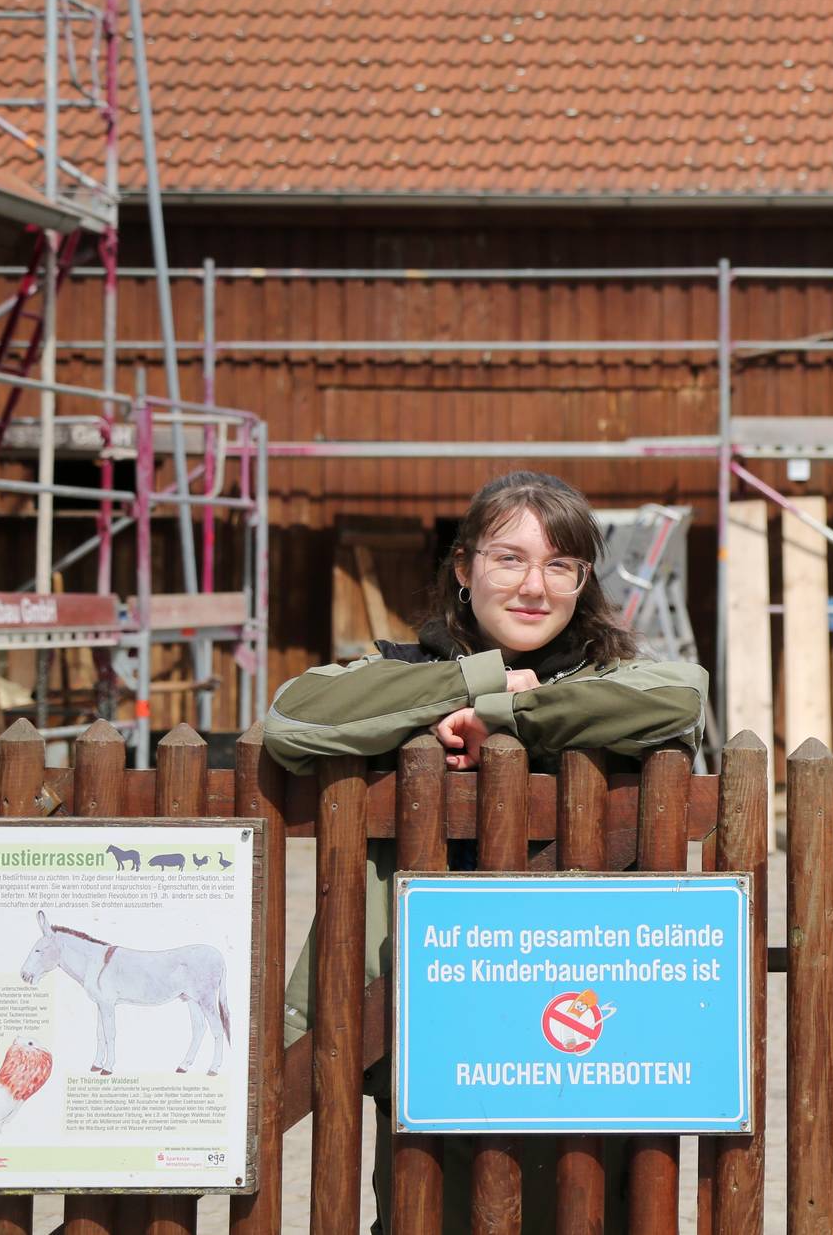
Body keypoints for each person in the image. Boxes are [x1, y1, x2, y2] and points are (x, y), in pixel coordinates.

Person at [265, 470, 709, 1233]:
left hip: (586, 1021)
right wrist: (473, 679)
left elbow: (683, 698)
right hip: (423, 1020)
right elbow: (293, 716)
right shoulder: (406, 673)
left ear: (582, 580)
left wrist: (507, 712)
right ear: (465, 567)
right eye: (510, 559)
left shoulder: (618, 676)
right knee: (420, 1209)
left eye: (560, 564)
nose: (535, 585)